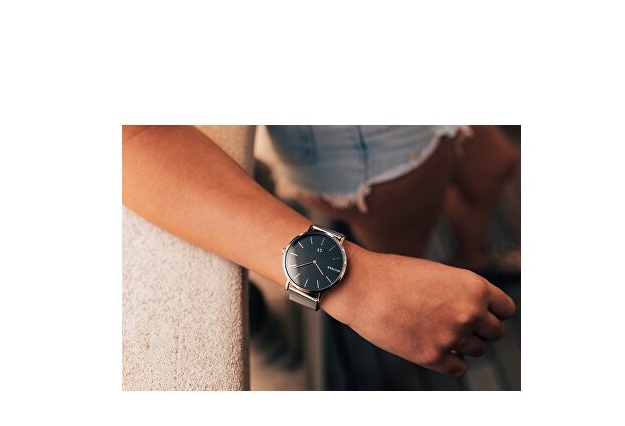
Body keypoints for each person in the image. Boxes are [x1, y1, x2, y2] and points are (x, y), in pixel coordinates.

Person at [122, 125, 518, 377]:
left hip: (424, 129)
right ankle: (429, 312)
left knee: (495, 166)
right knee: (410, 258)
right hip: (373, 157)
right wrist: (359, 284)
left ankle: (471, 260)